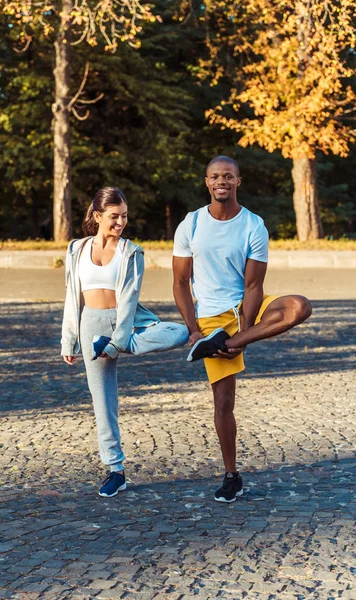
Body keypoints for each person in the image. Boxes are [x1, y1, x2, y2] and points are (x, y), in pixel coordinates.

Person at [172, 156, 312, 503]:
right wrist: (193, 330)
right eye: (215, 176)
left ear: (238, 181)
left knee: (299, 306)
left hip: (245, 310)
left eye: (229, 176)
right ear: (207, 182)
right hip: (210, 319)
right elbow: (180, 281)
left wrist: (242, 337)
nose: (222, 181)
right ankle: (232, 475)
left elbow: (253, 286)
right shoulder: (190, 224)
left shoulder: (253, 224)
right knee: (224, 401)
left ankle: (224, 343)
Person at [61, 187, 188, 498]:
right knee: (103, 403)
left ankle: (120, 344)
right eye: (114, 217)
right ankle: (115, 470)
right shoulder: (76, 249)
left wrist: (118, 342)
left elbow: (129, 300)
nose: (120, 223)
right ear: (97, 216)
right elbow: (71, 298)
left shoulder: (131, 252)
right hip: (91, 325)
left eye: (124, 217)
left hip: (125, 323)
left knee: (181, 332)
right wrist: (69, 341)